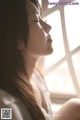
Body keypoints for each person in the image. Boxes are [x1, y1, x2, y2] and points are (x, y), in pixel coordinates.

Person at [0, 0, 80, 120]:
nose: (48, 27)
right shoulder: (7, 107)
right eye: (36, 20)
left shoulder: (36, 76)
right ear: (17, 39)